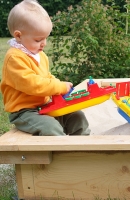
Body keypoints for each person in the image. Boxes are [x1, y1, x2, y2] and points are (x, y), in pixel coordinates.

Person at [0, 0, 90, 136]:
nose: (44, 44)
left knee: (77, 117)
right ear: (18, 36)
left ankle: (83, 147)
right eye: (38, 40)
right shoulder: (14, 58)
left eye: (45, 38)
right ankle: (61, 154)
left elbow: (46, 77)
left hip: (44, 105)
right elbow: (32, 84)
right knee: (51, 127)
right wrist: (59, 87)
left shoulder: (40, 55)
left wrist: (59, 87)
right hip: (24, 111)